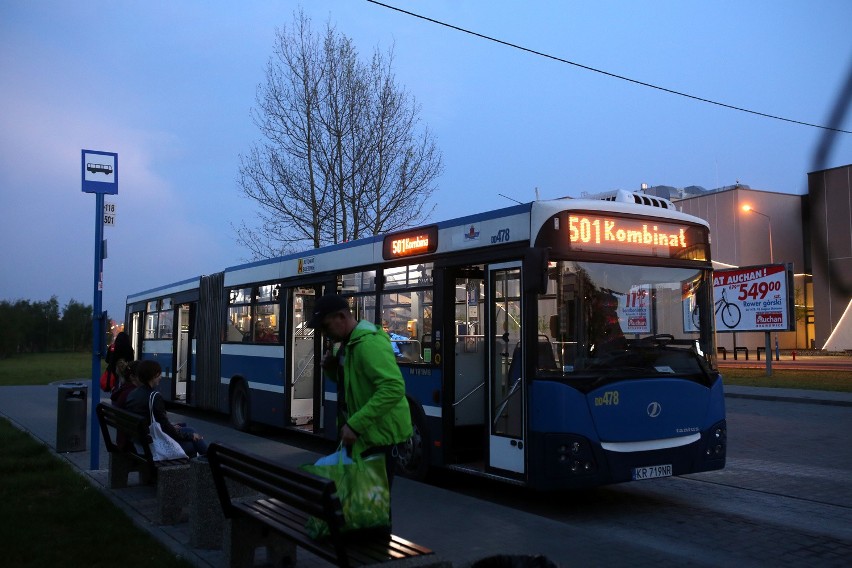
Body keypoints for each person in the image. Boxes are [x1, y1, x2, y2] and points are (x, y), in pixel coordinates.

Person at [308, 295, 412, 498]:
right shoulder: (346, 344)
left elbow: (393, 387)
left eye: (326, 326)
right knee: (363, 506)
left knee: (374, 512)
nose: (324, 334)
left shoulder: (367, 344)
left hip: (378, 439)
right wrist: (330, 369)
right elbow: (350, 385)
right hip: (364, 437)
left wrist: (356, 424)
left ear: (341, 317)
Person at [124, 360, 208, 458]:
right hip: (152, 447)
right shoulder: (154, 396)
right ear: (152, 376)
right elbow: (166, 429)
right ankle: (210, 463)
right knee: (193, 442)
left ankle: (210, 460)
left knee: (190, 430)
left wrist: (173, 427)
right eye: (159, 374)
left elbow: (157, 422)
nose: (161, 377)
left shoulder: (132, 394)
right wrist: (190, 436)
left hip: (139, 443)